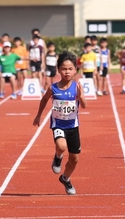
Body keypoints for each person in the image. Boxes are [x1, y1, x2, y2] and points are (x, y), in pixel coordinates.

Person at [33, 52, 87, 195]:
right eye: (64, 68)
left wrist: (81, 97)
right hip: (58, 124)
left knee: (74, 159)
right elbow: (44, 100)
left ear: (75, 69)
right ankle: (58, 157)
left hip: (73, 126)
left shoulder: (77, 87)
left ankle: (65, 178)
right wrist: (39, 115)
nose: (67, 72)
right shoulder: (53, 88)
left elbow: (84, 105)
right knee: (61, 146)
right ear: (58, 70)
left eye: (70, 69)